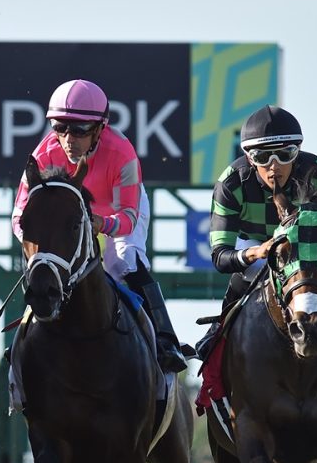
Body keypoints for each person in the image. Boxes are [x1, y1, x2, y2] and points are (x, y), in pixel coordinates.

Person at [11, 79, 187, 373]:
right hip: (67, 214)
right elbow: (18, 217)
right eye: (60, 128)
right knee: (45, 269)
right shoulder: (42, 155)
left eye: (79, 130)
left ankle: (166, 339)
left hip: (119, 209)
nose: (69, 139)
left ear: (100, 129)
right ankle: (18, 362)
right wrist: (39, 248)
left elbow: (129, 219)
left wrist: (99, 223)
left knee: (123, 261)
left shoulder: (121, 153)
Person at [197, 105, 317, 360]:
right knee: (252, 270)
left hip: (307, 250)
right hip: (257, 247)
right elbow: (220, 256)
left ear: (298, 152)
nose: (274, 167)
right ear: (250, 158)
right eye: (263, 158)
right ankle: (217, 339)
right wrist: (255, 252)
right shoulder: (231, 183)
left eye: (285, 154)